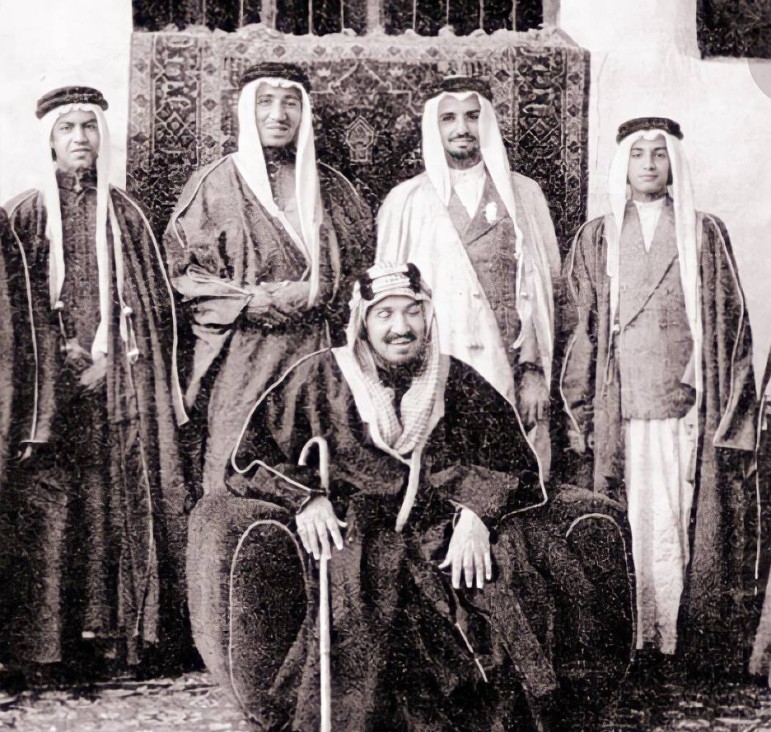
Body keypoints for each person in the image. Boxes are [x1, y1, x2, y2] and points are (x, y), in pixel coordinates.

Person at [187, 262, 633, 732]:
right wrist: (306, 499)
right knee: (380, 579)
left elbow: (516, 463)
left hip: (451, 521)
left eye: (412, 312)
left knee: (508, 565)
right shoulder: (319, 377)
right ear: (362, 322)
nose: (401, 327)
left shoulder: (456, 379)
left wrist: (478, 514)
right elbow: (249, 459)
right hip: (368, 529)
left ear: (428, 317)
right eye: (385, 314)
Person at [2, 86, 189, 682]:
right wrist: (57, 360)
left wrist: (112, 360)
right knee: (53, 511)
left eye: (89, 127)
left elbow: (153, 309)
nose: (80, 138)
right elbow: (13, 313)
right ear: (50, 140)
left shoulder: (126, 215)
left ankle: (119, 640)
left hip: (117, 388)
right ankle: (48, 648)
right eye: (68, 128)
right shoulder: (23, 215)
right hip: (47, 395)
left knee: (115, 506)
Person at [560, 116, 758, 677]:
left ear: (674, 162)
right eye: (637, 154)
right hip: (621, 407)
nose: (648, 164)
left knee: (679, 516)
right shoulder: (597, 236)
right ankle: (632, 639)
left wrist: (728, 411)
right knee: (629, 517)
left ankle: (677, 642)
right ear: (622, 162)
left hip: (685, 410)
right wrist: (581, 411)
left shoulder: (703, 231)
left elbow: (731, 326)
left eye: (659, 154)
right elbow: (580, 331)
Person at [165, 62, 373, 495]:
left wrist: (318, 290)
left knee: (322, 462)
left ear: (304, 112)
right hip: (242, 351)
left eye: (290, 103)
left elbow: (364, 271)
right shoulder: (213, 184)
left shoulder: (334, 187)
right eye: (266, 102)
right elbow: (182, 273)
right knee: (234, 465)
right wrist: (247, 301)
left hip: (317, 348)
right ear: (247, 109)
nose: (278, 114)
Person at [376, 75, 561, 476]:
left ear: (488, 121)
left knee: (513, 482)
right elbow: (385, 304)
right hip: (434, 375)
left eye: (472, 116)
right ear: (434, 126)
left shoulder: (524, 195)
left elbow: (545, 290)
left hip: (508, 370)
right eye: (449, 118)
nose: (461, 128)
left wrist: (532, 370)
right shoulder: (406, 201)